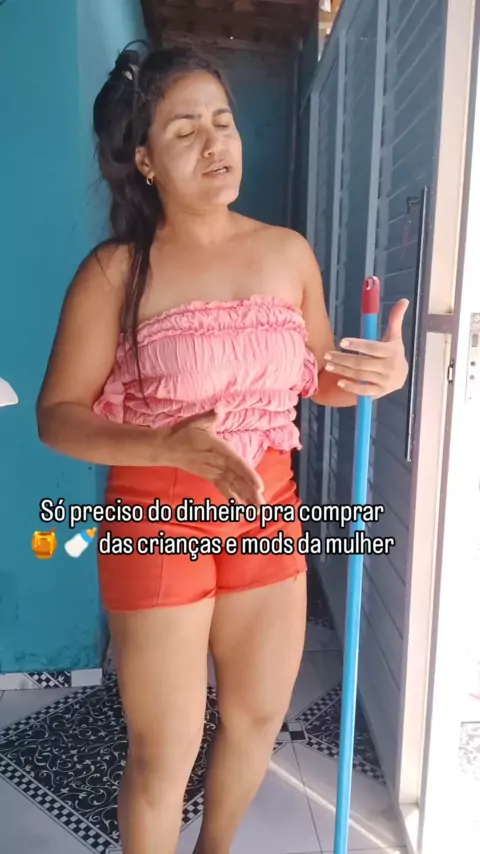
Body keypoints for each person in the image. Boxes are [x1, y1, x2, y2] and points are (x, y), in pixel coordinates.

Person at [36, 44, 409, 854]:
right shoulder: (115, 273)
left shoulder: (287, 252)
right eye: (185, 130)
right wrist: (164, 444)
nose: (216, 143)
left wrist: (378, 373)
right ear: (145, 160)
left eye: (223, 121)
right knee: (164, 751)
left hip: (267, 507)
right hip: (157, 514)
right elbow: (56, 418)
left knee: (256, 716)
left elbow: (321, 377)